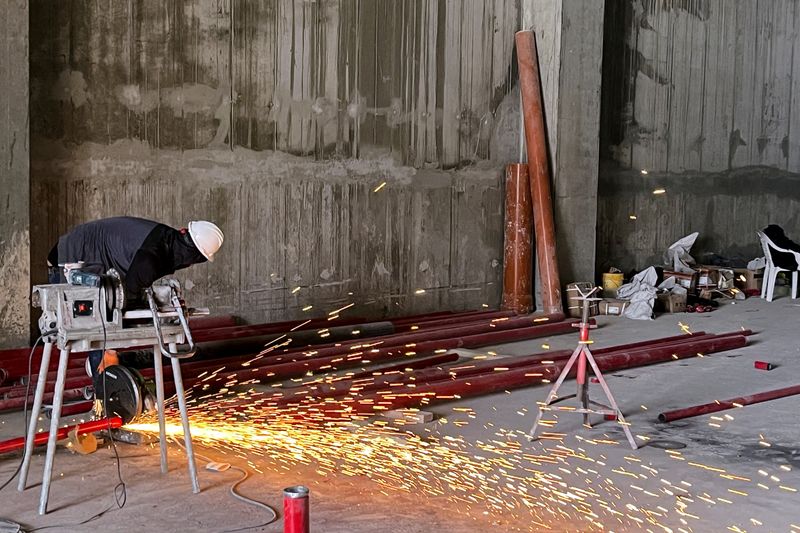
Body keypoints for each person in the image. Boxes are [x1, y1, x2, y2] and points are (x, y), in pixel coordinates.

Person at [47, 216, 224, 390]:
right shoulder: (153, 256)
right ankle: (104, 399)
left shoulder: (166, 241)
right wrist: (111, 350)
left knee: (103, 314)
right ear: (193, 255)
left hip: (91, 254)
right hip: (73, 257)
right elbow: (123, 300)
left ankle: (106, 390)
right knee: (97, 324)